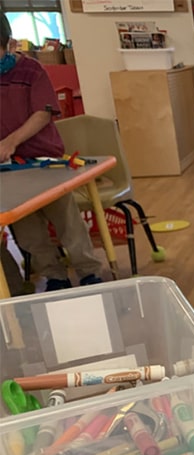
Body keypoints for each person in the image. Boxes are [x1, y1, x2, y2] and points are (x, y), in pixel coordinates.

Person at [0, 12, 104, 291]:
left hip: (45, 162)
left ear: (9, 44)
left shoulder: (31, 71)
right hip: (8, 171)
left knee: (69, 224)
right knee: (28, 233)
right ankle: (54, 276)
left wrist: (11, 141)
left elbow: (43, 113)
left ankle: (89, 273)